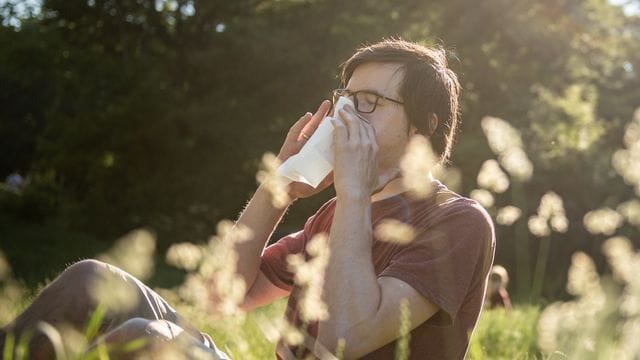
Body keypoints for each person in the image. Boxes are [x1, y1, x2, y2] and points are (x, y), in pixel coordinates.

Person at [0, 39, 495, 359]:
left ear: (426, 123)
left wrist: (354, 191)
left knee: (149, 342)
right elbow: (222, 298)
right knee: (91, 280)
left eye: (367, 102)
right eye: (344, 99)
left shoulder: (458, 222)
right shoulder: (336, 214)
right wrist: (278, 187)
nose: (346, 115)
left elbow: (350, 336)